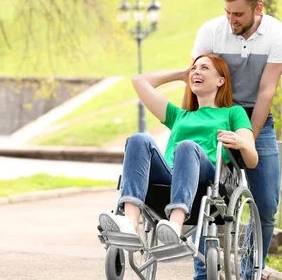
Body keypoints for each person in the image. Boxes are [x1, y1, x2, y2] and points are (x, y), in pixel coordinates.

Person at [187, 0, 282, 280]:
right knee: (206, 196)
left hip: (256, 119)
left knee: (266, 201)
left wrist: (248, 138)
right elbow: (197, 80)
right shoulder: (211, 32)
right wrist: (193, 123)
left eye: (238, 15)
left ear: (258, 9)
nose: (231, 20)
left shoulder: (277, 34)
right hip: (216, 116)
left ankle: (254, 273)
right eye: (228, 13)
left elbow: (266, 92)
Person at [99, 54, 258, 260]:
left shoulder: (232, 113)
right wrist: (182, 74)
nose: (196, 72)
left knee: (186, 146)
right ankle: (130, 222)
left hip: (207, 179)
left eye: (204, 68)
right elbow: (139, 81)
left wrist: (241, 142)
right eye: (194, 68)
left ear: (221, 80)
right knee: (138, 139)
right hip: (170, 177)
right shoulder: (179, 116)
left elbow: (252, 159)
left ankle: (175, 225)